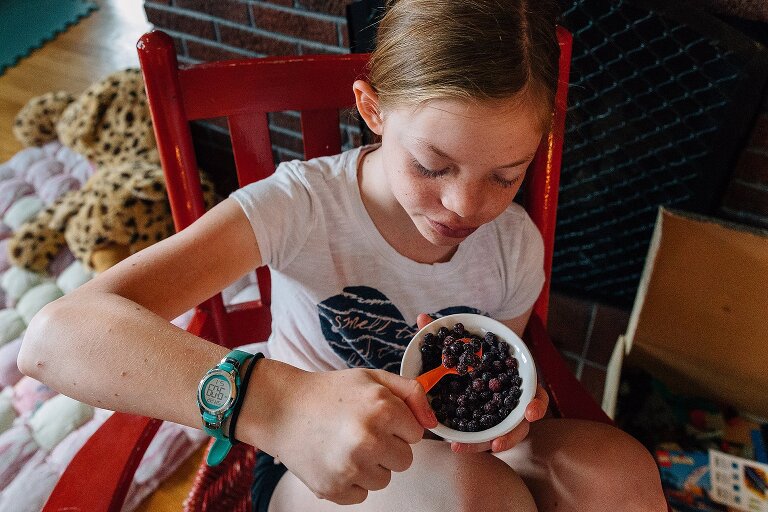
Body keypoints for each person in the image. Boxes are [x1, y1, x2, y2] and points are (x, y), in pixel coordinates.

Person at [18, 0, 667, 510]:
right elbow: (54, 339)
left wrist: (514, 417)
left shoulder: (515, 246)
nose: (467, 207)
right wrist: (279, 404)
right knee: (476, 497)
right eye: (432, 165)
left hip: (462, 451)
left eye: (505, 175)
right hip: (307, 455)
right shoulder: (300, 206)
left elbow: (504, 370)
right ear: (372, 109)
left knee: (619, 476)